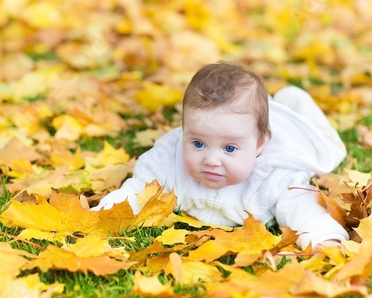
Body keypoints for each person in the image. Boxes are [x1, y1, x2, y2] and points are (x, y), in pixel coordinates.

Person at [92, 62, 349, 250]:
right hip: (245, 123)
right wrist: (104, 214)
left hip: (289, 130)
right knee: (245, 112)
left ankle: (291, 99)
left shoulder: (274, 173)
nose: (212, 160)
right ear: (184, 131)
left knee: (308, 123)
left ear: (260, 145)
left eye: (229, 149)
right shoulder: (169, 158)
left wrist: (323, 238)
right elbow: (140, 188)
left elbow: (300, 204)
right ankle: (269, 103)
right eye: (198, 143)